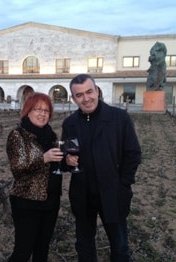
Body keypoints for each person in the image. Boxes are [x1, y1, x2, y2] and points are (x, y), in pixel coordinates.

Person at [61, 74, 141, 262]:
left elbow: (133, 153)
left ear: (97, 91)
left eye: (89, 91)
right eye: (79, 95)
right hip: (83, 194)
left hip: (113, 193)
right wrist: (67, 160)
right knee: (84, 244)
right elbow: (67, 155)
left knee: (119, 244)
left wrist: (123, 185)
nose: (86, 98)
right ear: (73, 99)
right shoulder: (70, 124)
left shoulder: (119, 118)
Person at [6, 92, 64, 262]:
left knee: (42, 248)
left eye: (46, 111)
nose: (42, 114)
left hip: (51, 201)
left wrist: (67, 160)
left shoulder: (50, 136)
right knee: (23, 251)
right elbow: (18, 168)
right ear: (27, 111)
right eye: (37, 109)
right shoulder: (18, 135)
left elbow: (55, 165)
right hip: (27, 202)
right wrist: (43, 158)